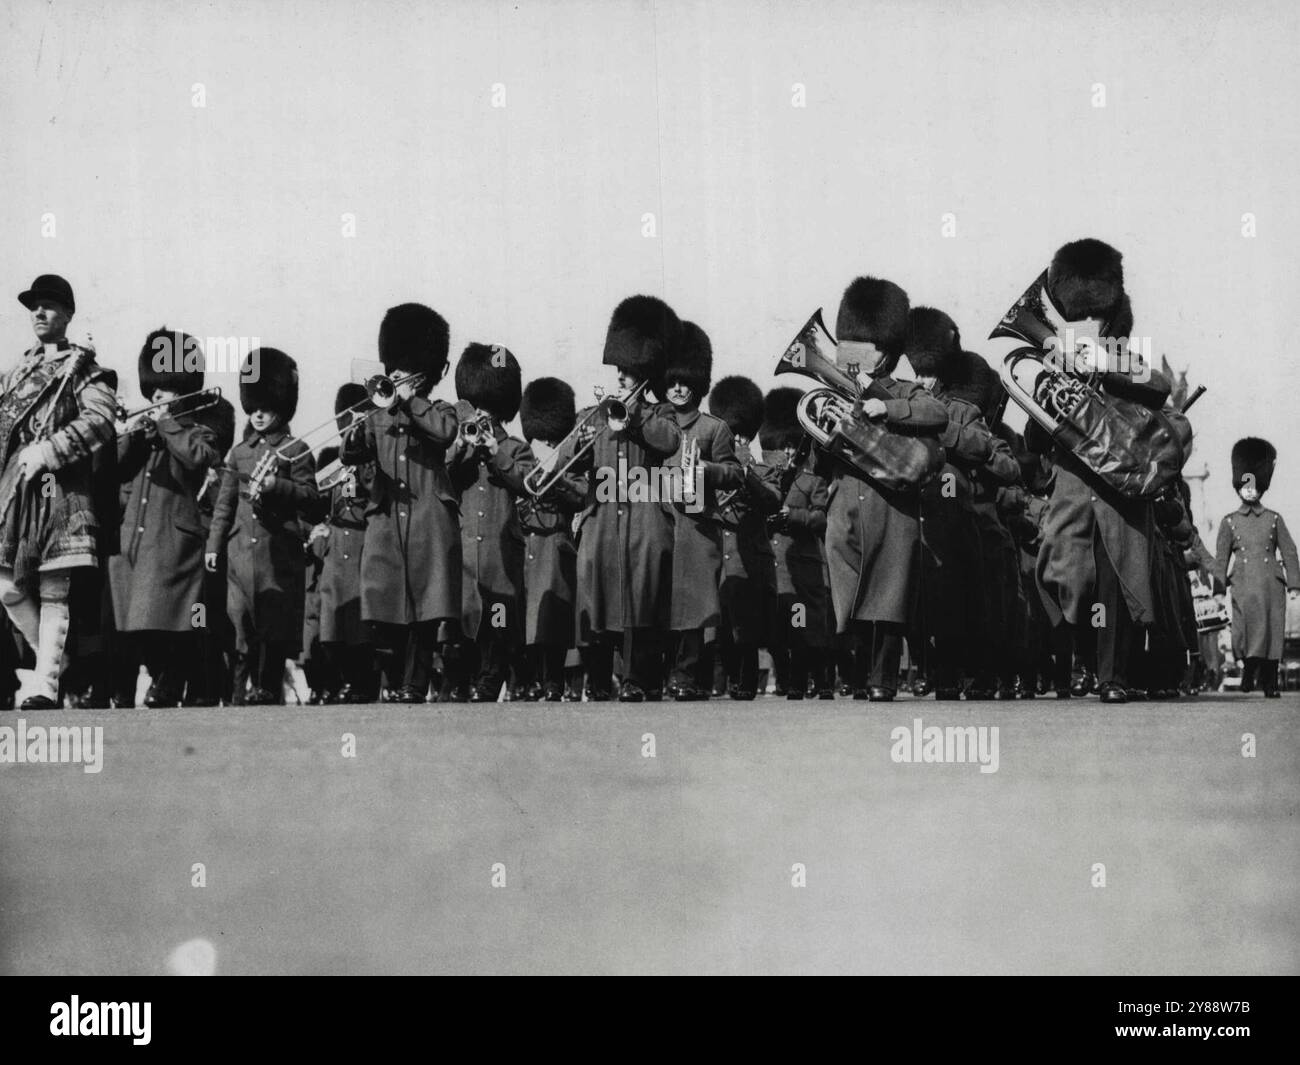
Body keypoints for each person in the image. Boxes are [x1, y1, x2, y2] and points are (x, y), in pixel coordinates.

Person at [1023, 239, 1187, 703]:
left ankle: (1111, 677)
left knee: (1115, 585)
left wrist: (1104, 366)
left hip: (1120, 495)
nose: (1086, 327)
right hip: (1072, 493)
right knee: (1069, 579)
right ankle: (1087, 663)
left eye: (1094, 320)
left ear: (1108, 320)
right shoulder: (1053, 367)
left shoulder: (1125, 359)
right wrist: (1047, 400)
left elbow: (1157, 385)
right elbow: (1034, 444)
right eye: (1080, 319)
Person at [818, 276, 948, 701]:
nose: (852, 354)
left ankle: (883, 680)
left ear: (885, 350)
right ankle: (857, 676)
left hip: (891, 507)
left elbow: (936, 413)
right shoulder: (832, 393)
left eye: (864, 345)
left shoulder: (903, 390)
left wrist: (884, 405)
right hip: (846, 506)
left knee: (888, 595)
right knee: (849, 596)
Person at [0, 274, 118, 709]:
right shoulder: (15, 372)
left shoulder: (87, 368)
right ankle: (54, 658)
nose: (39, 312)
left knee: (53, 590)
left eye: (49, 305)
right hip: (16, 493)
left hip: (61, 492)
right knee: (6, 588)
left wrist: (51, 450)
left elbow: (101, 422)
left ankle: (45, 682)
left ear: (68, 314)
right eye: (34, 306)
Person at [341, 303, 460, 703]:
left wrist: (409, 400)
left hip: (427, 516)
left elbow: (443, 433)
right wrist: (358, 431)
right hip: (387, 519)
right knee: (384, 603)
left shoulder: (438, 409)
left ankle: (414, 684)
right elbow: (351, 454)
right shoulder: (376, 414)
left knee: (425, 610)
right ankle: (394, 678)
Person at [572, 295, 684, 702]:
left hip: (644, 517)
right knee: (596, 596)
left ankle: (640, 679)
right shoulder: (594, 413)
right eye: (618, 372)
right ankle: (598, 680)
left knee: (643, 598)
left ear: (642, 378)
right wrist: (581, 441)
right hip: (601, 517)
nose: (619, 379)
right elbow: (567, 463)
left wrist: (634, 415)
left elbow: (668, 442)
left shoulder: (661, 414)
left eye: (627, 373)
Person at [110, 328, 224, 707]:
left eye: (165, 388)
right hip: (139, 544)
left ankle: (173, 681)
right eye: (153, 388)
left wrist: (167, 424)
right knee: (141, 623)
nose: (154, 395)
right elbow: (116, 469)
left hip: (175, 542)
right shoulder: (149, 432)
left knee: (173, 621)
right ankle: (168, 679)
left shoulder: (196, 428)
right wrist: (134, 434)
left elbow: (200, 458)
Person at [204, 347, 318, 705]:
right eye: (252, 408)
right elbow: (225, 503)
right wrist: (213, 545)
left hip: (276, 551)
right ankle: (243, 690)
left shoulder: (296, 449)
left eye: (264, 409)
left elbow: (311, 497)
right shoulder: (238, 452)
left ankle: (266, 686)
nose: (257, 415)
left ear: (280, 407)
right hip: (239, 553)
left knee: (272, 624)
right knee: (240, 623)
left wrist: (276, 487)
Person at [903, 309, 994, 700]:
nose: (922, 381)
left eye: (928, 374)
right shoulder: (907, 402)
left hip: (956, 510)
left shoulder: (962, 407)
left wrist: (942, 428)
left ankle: (973, 674)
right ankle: (937, 672)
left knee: (964, 595)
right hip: (919, 510)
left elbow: (981, 446)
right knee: (926, 599)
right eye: (918, 373)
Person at [446, 344, 535, 702]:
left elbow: (527, 482)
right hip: (465, 549)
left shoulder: (514, 448)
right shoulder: (459, 447)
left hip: (500, 554)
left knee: (497, 623)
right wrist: (464, 447)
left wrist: (495, 452)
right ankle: (459, 681)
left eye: (487, 408)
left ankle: (490, 680)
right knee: (463, 623)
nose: (481, 415)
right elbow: (443, 477)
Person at [664, 323, 743, 700]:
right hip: (663, 521)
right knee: (664, 601)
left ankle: (686, 675)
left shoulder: (714, 429)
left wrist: (705, 470)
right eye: (671, 381)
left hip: (697, 525)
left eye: (684, 382)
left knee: (695, 605)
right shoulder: (656, 426)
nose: (678, 388)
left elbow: (735, 474)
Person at [708, 375, 780, 700]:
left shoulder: (764, 471)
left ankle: (747, 683)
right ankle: (719, 683)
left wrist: (746, 471)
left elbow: (771, 500)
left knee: (747, 632)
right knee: (721, 631)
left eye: (741, 436)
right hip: (720, 557)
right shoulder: (713, 468)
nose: (736, 440)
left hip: (750, 559)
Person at [515, 377, 585, 701]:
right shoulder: (521, 455)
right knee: (525, 619)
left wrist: (555, 478)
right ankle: (529, 682)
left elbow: (584, 493)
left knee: (554, 620)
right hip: (526, 540)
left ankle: (554, 682)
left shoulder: (568, 459)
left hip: (556, 542)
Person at [1216, 437, 1299, 697]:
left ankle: (1270, 683)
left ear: (1262, 487)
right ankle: (1249, 669)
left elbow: (1289, 551)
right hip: (1242, 583)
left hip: (1271, 584)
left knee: (1273, 632)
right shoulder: (1229, 522)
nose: (1250, 491)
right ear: (1239, 487)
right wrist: (1219, 589)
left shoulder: (1274, 519)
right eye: (1245, 486)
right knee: (1244, 631)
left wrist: (1294, 583)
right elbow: (1221, 558)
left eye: (1254, 486)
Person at [763, 387, 832, 700]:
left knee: (806, 626)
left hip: (803, 564)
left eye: (792, 446)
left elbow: (821, 519)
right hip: (777, 565)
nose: (788, 452)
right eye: (782, 446)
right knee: (783, 628)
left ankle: (818, 681)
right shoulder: (770, 479)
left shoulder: (812, 478)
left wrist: (794, 515)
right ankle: (792, 680)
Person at [312, 384, 378, 703]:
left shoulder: (370, 458)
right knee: (333, 625)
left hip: (364, 544)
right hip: (337, 549)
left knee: (361, 627)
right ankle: (342, 681)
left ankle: (362, 684)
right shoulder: (333, 462)